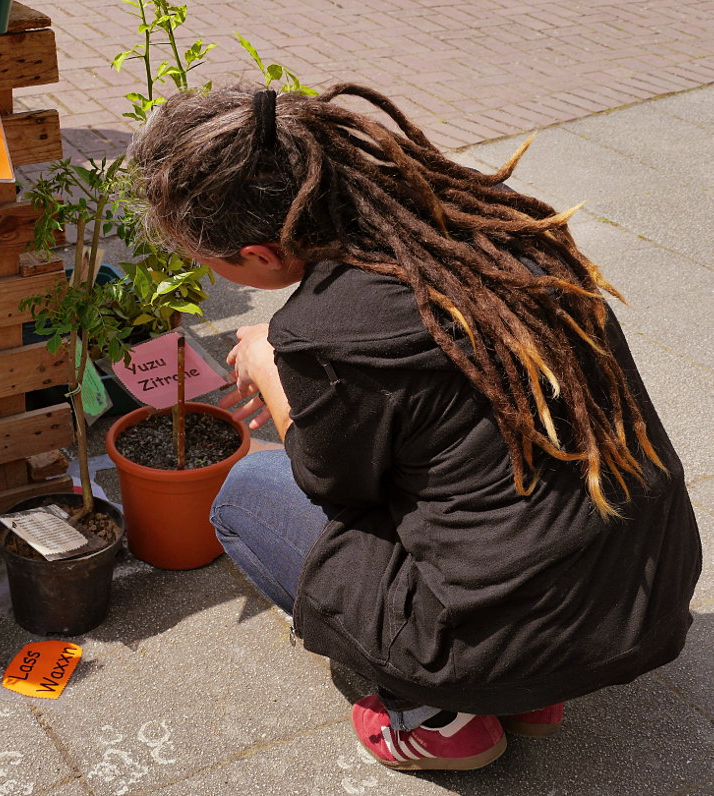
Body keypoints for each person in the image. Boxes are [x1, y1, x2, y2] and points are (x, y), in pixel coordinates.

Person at [129, 84, 702, 772]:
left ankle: (438, 715)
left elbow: (332, 486)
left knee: (250, 490)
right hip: (645, 594)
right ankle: (532, 693)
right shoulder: (491, 232)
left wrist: (273, 364)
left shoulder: (326, 331)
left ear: (261, 256)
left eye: (209, 260)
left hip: (507, 635)